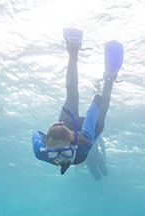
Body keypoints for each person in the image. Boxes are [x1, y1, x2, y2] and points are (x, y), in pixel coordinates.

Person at [32, 28, 123, 178]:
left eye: (64, 152)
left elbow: (36, 133)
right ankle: (110, 77)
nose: (61, 159)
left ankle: (73, 50)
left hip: (68, 122)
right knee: (101, 109)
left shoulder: (44, 151)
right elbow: (36, 134)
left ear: (72, 144)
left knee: (73, 93)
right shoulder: (47, 151)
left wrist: (97, 96)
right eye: (54, 153)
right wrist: (99, 97)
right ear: (46, 149)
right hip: (76, 131)